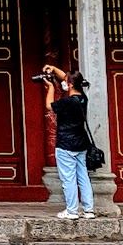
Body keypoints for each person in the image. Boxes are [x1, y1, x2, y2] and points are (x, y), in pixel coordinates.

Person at [44, 65, 96, 220]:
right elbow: (67, 78)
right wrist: (53, 68)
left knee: (68, 178)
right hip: (81, 143)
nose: (64, 82)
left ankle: (72, 210)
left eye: (66, 81)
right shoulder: (82, 98)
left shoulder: (67, 101)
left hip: (66, 143)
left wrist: (51, 87)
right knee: (83, 176)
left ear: (71, 84)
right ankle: (88, 210)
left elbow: (49, 105)